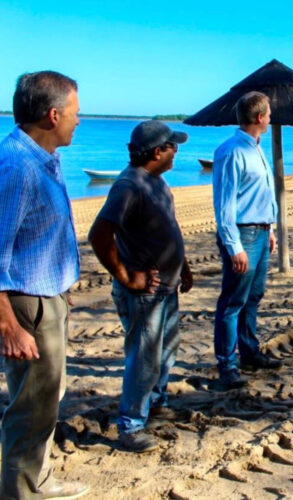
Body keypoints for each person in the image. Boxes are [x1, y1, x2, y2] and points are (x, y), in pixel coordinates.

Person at [0, 71, 88, 499]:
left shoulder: (43, 158)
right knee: (30, 408)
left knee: (48, 398)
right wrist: (9, 326)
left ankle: (40, 480)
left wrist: (62, 285)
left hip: (47, 297)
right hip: (25, 307)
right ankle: (20, 492)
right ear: (53, 115)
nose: (80, 120)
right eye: (75, 112)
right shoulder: (16, 166)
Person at [88, 120, 193, 453]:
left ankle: (156, 405)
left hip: (168, 287)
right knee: (143, 360)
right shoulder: (129, 185)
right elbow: (99, 235)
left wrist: (184, 266)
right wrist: (126, 276)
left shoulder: (157, 182)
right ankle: (131, 426)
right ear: (158, 151)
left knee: (166, 353)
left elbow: (168, 226)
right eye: (173, 146)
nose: (177, 151)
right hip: (145, 293)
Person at [212, 91, 282, 390]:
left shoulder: (256, 148)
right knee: (232, 302)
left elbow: (259, 195)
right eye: (268, 113)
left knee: (254, 296)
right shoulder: (232, 151)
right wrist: (234, 245)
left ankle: (249, 351)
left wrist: (272, 228)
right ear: (259, 117)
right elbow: (225, 205)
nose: (270, 118)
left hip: (261, 231)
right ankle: (227, 365)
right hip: (242, 233)